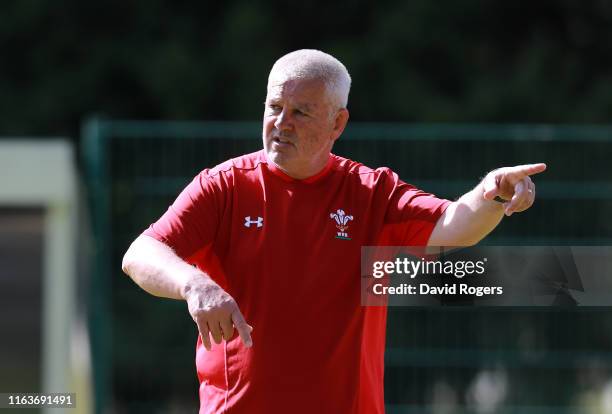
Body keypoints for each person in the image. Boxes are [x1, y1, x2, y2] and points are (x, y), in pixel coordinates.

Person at [121, 49, 546, 413]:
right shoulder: (224, 186)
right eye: (274, 108)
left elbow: (454, 226)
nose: (282, 123)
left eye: (301, 112)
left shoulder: (371, 191)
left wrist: (491, 193)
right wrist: (194, 283)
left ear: (337, 124)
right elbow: (141, 252)